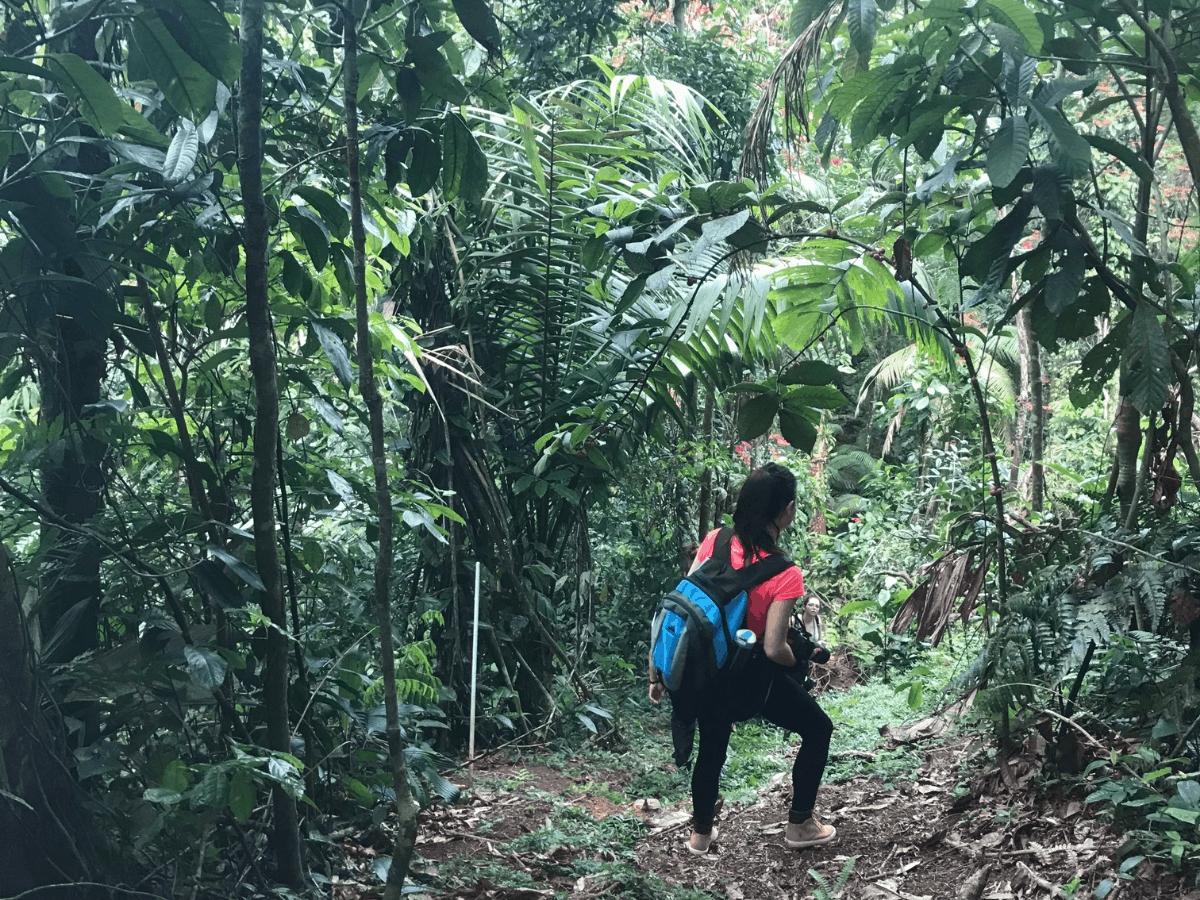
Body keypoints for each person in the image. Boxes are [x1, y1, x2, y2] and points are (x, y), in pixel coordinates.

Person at [649, 462, 837, 855]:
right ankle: (800, 823)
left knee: (712, 747)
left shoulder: (715, 539)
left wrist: (658, 671)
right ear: (786, 511)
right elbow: (773, 647)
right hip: (748, 680)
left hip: (704, 668)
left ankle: (700, 837)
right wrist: (797, 661)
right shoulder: (785, 573)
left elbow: (683, 603)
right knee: (818, 729)